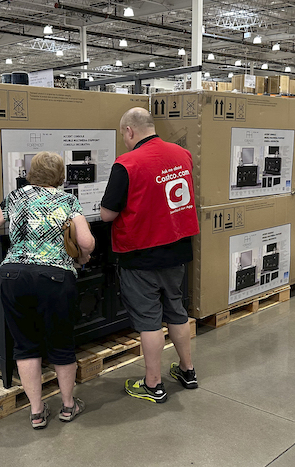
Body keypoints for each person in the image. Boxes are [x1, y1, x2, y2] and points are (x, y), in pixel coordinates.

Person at [0, 151, 95, 429]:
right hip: (54, 278)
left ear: (31, 172)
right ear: (60, 175)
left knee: (25, 344)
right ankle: (68, 406)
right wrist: (79, 254)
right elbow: (87, 242)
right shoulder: (67, 200)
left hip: (13, 275)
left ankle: (36, 411)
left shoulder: (17, 196)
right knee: (60, 343)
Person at [100, 107, 200, 404]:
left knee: (149, 321)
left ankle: (153, 383)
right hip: (177, 248)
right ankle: (187, 369)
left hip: (140, 253)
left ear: (130, 131)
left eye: (123, 136)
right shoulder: (182, 155)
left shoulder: (127, 163)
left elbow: (107, 214)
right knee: (177, 311)